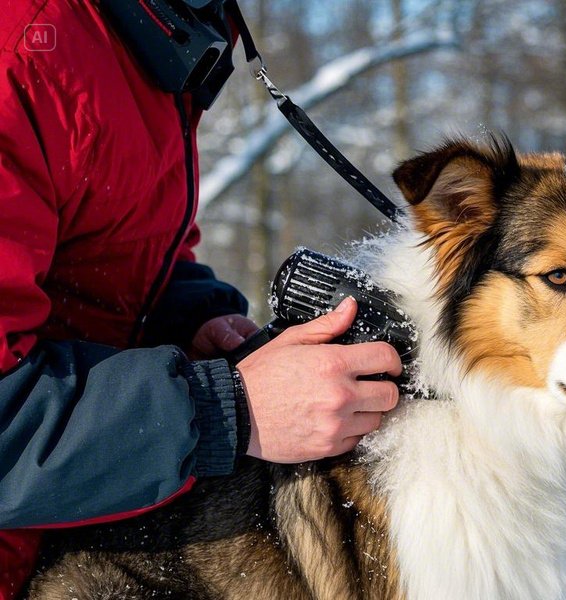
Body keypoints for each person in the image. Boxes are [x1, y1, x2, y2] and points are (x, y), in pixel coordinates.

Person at [0, 1, 401, 596]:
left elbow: (116, 246)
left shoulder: (154, 32)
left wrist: (191, 314)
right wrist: (223, 410)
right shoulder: (23, 56)